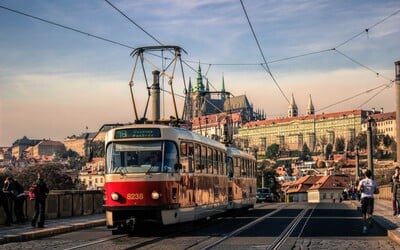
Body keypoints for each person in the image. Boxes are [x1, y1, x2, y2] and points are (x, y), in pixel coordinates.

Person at [357, 169, 379, 234]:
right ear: (371, 175)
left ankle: (364, 227)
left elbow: (358, 189)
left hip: (364, 198)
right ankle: (370, 221)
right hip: (370, 198)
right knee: (370, 213)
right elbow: (377, 191)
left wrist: (361, 189)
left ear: (365, 175)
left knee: (363, 214)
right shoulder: (373, 182)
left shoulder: (362, 181)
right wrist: (372, 191)